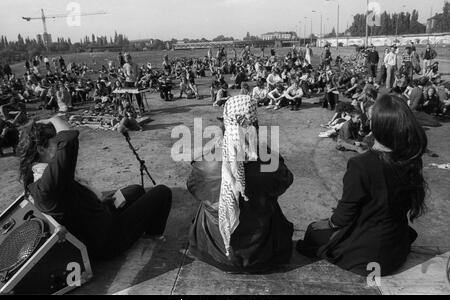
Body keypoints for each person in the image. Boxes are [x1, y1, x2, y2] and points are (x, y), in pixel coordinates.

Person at [297, 95, 428, 277]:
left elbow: (343, 216)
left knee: (312, 231)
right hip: (396, 248)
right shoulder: (411, 159)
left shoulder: (362, 164)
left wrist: (329, 223)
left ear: (376, 126)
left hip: (368, 256)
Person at [17, 116, 172, 259]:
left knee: (136, 190)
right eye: (55, 141)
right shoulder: (49, 183)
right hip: (107, 240)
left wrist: (101, 202)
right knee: (162, 192)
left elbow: (73, 204)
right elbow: (69, 136)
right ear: (41, 149)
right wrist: (53, 118)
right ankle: (152, 237)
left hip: (96, 220)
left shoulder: (39, 177)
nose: (58, 145)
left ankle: (127, 217)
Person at [188, 95, 294, 273]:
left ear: (224, 126)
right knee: (269, 201)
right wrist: (264, 151)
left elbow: (192, 188)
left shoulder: (204, 163)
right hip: (262, 255)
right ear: (255, 127)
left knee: (207, 201)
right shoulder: (270, 163)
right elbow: (286, 180)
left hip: (213, 253)